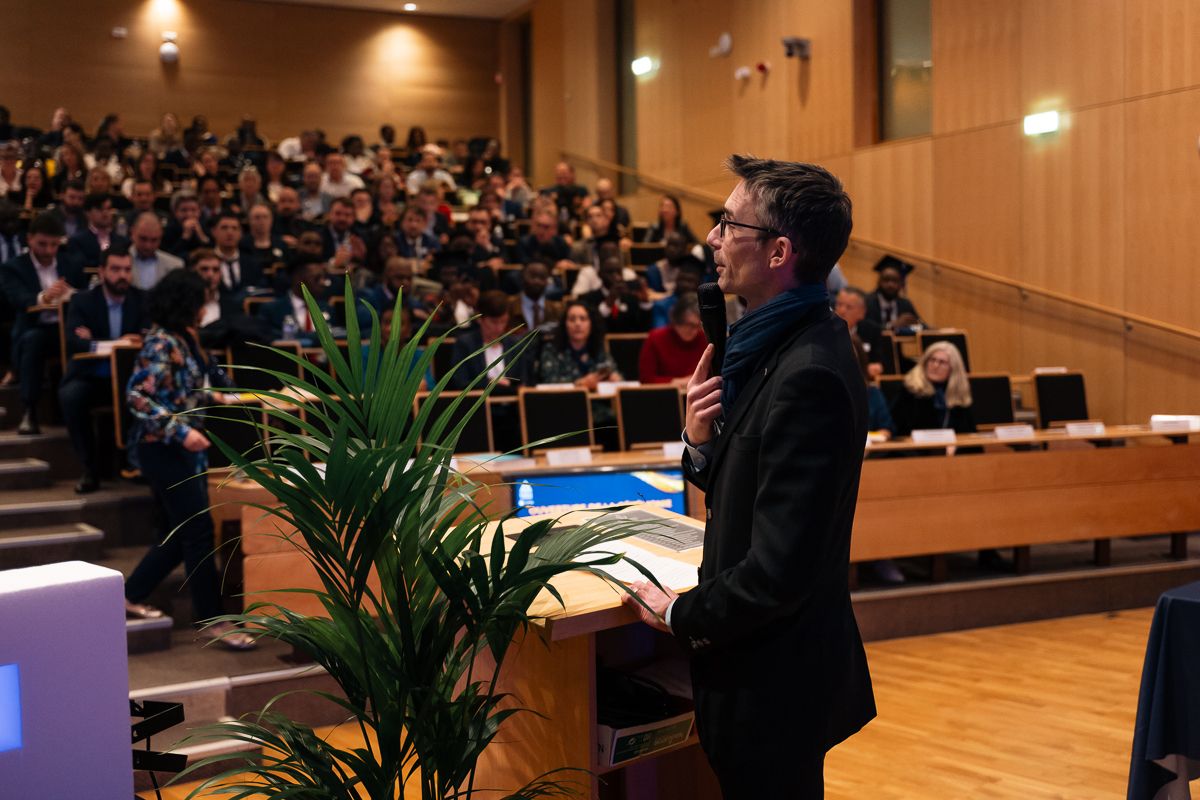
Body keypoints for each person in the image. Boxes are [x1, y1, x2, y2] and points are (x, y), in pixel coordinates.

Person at [623, 155, 875, 798]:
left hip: (775, 682)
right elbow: (750, 493)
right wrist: (700, 443)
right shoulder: (776, 347)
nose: (713, 237)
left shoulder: (808, 372)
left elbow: (779, 570)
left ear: (778, 251)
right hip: (764, 672)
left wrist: (678, 613)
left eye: (730, 223)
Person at [123, 269, 255, 650]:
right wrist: (181, 432)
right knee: (197, 531)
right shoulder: (160, 343)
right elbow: (138, 397)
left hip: (185, 451)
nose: (204, 309)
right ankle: (213, 620)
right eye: (200, 301)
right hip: (163, 449)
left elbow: (187, 389)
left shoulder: (185, 338)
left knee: (185, 533)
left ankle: (129, 594)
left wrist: (224, 397)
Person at [58, 246, 148, 493]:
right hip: (92, 376)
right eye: (115, 269)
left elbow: (147, 338)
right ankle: (89, 469)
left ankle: (138, 463)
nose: (122, 275)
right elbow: (74, 342)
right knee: (71, 396)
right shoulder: (83, 301)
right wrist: (119, 343)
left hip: (131, 378)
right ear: (102, 271)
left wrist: (95, 341)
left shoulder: (142, 300)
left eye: (127, 270)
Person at [1, 213, 88, 434]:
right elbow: (18, 299)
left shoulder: (71, 263)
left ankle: (80, 410)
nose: (48, 250)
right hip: (36, 328)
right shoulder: (14, 267)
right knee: (34, 341)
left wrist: (72, 294)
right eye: (42, 244)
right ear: (29, 239)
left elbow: (88, 296)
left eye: (54, 244)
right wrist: (45, 297)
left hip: (68, 328)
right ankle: (29, 410)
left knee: (85, 337)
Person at [447, 289, 532, 395]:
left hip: (511, 403)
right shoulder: (465, 344)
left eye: (503, 321)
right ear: (480, 319)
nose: (499, 328)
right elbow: (460, 383)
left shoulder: (515, 344)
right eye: (494, 322)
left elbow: (523, 382)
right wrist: (490, 383)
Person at [890, 341, 975, 438]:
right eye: (932, 360)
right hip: (916, 446)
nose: (935, 365)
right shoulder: (910, 390)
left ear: (953, 368)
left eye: (942, 362)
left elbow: (969, 432)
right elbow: (897, 429)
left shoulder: (958, 393)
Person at [537, 300, 619, 389]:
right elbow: (549, 381)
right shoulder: (551, 349)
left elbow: (612, 370)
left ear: (591, 324)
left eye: (583, 319)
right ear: (565, 324)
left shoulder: (599, 348)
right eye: (572, 319)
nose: (577, 324)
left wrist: (615, 378)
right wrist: (578, 384)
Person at [258, 255, 332, 345]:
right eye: (317, 278)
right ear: (298, 278)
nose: (323, 282)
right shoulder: (272, 310)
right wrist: (313, 338)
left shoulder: (327, 308)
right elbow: (268, 337)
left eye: (324, 278)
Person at [637, 293, 707, 384]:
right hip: (666, 392)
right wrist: (680, 382)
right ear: (677, 320)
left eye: (698, 326)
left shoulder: (704, 339)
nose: (695, 331)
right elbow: (646, 379)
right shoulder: (656, 338)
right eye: (690, 325)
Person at [579, 255, 652, 333]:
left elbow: (643, 328)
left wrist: (645, 303)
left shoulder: (631, 297)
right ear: (600, 274)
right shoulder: (588, 299)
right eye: (610, 272)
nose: (616, 276)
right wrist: (609, 302)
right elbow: (592, 327)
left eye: (618, 272)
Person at [835, 286, 885, 378]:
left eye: (849, 307)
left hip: (862, 380)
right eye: (839, 304)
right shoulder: (825, 329)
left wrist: (874, 367)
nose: (842, 310)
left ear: (862, 312)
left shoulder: (872, 330)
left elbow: (877, 362)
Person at [128, 212, 183, 290]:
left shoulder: (175, 266)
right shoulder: (117, 263)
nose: (148, 246)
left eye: (154, 240)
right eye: (143, 239)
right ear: (132, 233)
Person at [866, 255, 922, 330]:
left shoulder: (905, 304)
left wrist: (917, 324)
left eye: (895, 280)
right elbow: (865, 328)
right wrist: (892, 325)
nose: (890, 284)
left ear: (901, 284)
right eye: (886, 279)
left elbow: (922, 325)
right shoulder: (868, 303)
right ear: (879, 282)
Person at [508, 261, 564, 335]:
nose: (537, 281)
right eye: (532, 276)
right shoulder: (509, 307)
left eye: (542, 277)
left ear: (547, 281)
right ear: (522, 278)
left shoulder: (555, 310)